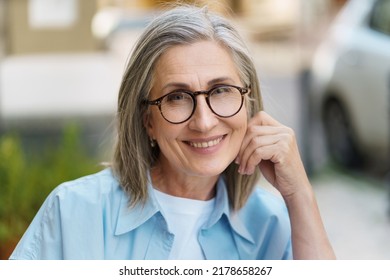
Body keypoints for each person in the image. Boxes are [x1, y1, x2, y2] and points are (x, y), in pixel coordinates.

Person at [10, 5, 335, 260]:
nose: (204, 122)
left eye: (221, 90)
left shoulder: (272, 222)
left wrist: (300, 195)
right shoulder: (74, 212)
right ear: (146, 119)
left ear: (247, 103)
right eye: (177, 97)